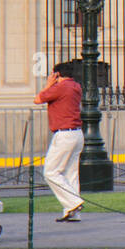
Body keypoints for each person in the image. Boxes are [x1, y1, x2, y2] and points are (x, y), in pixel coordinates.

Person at [34, 62, 84, 222]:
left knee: (51, 172)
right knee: (71, 174)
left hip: (64, 134)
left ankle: (73, 203)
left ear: (57, 75)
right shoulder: (76, 86)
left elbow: (37, 99)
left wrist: (48, 85)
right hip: (77, 133)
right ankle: (73, 213)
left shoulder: (59, 88)